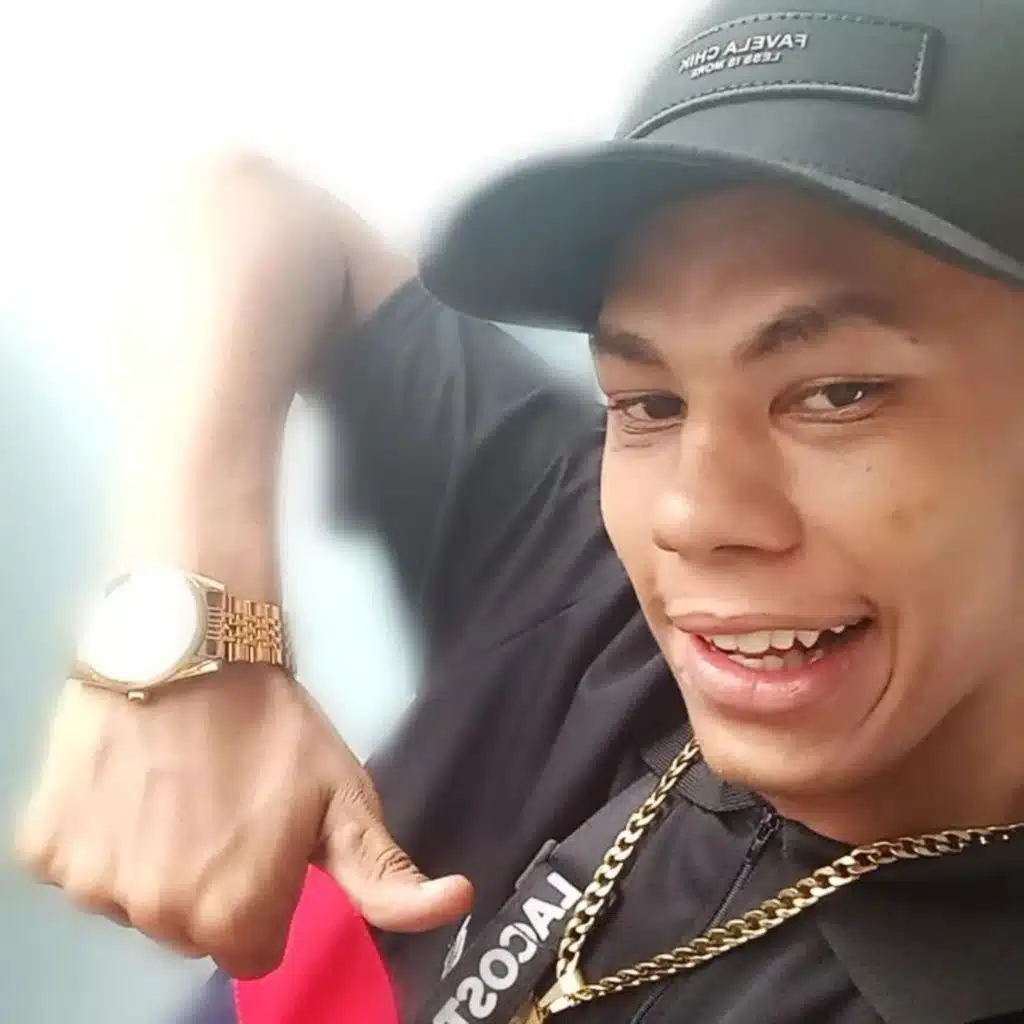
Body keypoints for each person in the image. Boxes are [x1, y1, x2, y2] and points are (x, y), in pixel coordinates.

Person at [15, 0, 1024, 1021]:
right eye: (647, 400)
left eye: (838, 394)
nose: (690, 513)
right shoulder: (588, 576)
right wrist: (192, 638)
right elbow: (246, 215)